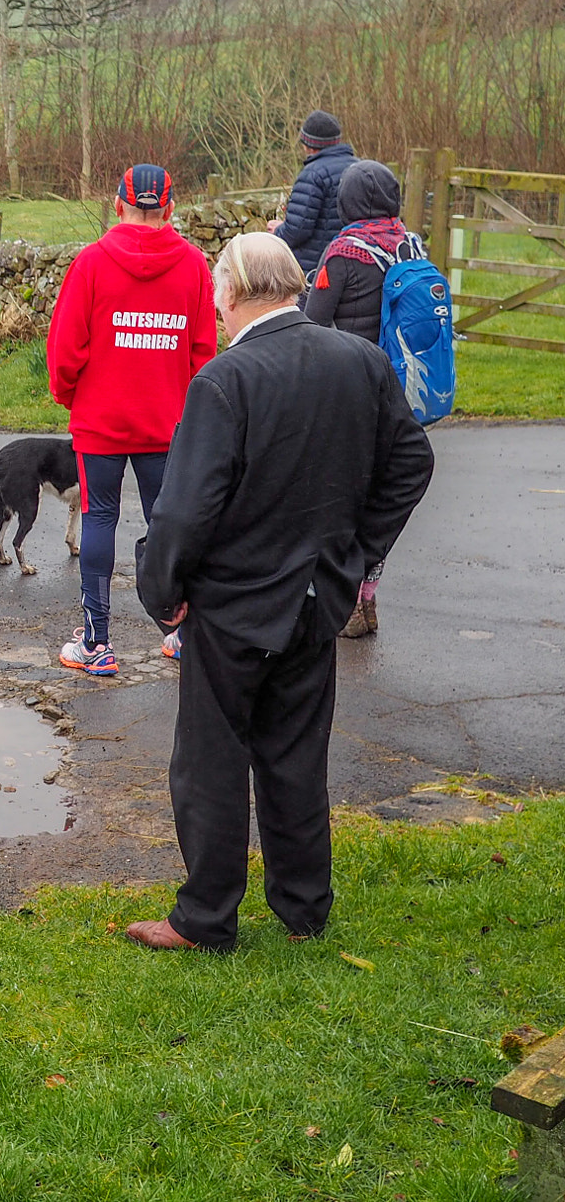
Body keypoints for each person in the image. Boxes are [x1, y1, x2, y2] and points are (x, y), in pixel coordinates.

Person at [129, 233, 434, 954]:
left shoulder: (224, 380)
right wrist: (357, 558)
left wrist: (162, 592)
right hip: (317, 598)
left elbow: (184, 510)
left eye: (216, 300)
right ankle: (303, 912)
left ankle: (205, 918)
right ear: (293, 287)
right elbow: (411, 463)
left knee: (210, 760)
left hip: (231, 604)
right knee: (296, 756)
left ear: (229, 296)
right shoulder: (359, 361)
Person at [44, 164, 216, 676]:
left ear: (116, 204)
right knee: (169, 522)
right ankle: (180, 630)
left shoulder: (91, 263)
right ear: (169, 206)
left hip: (100, 421)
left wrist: (72, 395)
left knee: (100, 518)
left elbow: (65, 351)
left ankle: (96, 643)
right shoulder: (193, 266)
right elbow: (203, 353)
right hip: (167, 422)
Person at [306, 160, 424, 638]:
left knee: (346, 501)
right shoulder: (410, 242)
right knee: (380, 500)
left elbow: (312, 323)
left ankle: (347, 602)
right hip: (402, 392)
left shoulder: (343, 253)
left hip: (353, 395)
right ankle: (367, 597)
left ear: (347, 203)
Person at [270, 110, 359, 275]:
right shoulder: (360, 167)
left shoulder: (312, 174)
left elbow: (296, 231)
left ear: (307, 144)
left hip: (317, 269)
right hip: (356, 264)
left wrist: (277, 231)